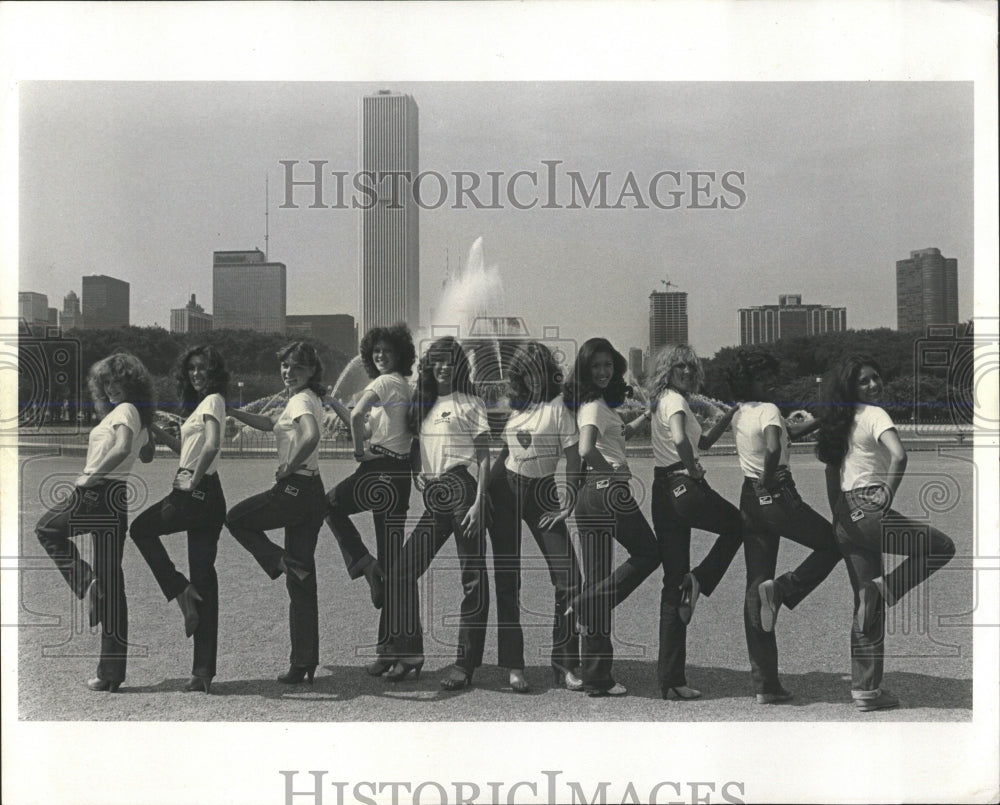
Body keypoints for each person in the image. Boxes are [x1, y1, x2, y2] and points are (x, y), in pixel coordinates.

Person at [817, 354, 955, 711]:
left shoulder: (840, 422)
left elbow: (832, 474)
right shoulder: (875, 414)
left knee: (866, 603)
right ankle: (887, 589)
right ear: (852, 387)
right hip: (869, 508)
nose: (874, 385)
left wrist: (838, 517)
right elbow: (899, 455)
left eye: (876, 378)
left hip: (847, 514)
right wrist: (888, 492)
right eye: (865, 381)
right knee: (941, 547)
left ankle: (866, 692)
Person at [727, 348, 843, 704]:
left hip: (750, 499)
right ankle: (785, 590)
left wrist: (820, 420)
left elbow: (785, 434)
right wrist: (768, 479)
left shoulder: (742, 412)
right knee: (834, 542)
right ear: (751, 380)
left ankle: (766, 685)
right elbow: (775, 446)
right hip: (776, 492)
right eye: (766, 377)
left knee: (754, 586)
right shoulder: (770, 410)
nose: (772, 383)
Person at [35, 351, 155, 692]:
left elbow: (121, 448)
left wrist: (91, 475)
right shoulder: (136, 414)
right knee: (113, 586)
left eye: (117, 382)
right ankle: (111, 674)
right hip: (117, 502)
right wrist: (150, 426)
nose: (110, 389)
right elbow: (144, 454)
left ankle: (86, 581)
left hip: (96, 492)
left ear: (131, 383)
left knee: (46, 528)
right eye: (106, 383)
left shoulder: (125, 411)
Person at [385, 335, 491, 690]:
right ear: (430, 365)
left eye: (449, 360)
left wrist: (479, 502)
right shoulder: (425, 403)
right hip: (435, 495)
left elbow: (485, 457)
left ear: (459, 364)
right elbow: (417, 441)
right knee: (402, 572)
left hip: (462, 491)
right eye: (437, 361)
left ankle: (465, 663)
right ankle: (410, 653)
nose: (443, 366)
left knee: (472, 578)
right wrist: (418, 469)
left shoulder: (470, 402)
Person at [562, 337, 660, 697]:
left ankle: (596, 676)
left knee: (598, 581)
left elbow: (617, 436)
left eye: (607, 366)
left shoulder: (599, 407)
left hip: (591, 497)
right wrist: (612, 475)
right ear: (585, 371)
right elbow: (588, 449)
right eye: (596, 367)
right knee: (651, 554)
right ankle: (585, 605)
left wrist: (646, 416)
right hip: (608, 493)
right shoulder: (592, 407)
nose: (603, 372)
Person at [129, 345, 229, 693]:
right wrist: (157, 431)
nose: (197, 373)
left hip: (195, 494)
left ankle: (178, 589)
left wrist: (192, 480)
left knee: (140, 529)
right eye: (192, 369)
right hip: (208, 499)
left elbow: (213, 445)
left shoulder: (214, 399)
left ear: (214, 371)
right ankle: (202, 673)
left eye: (203, 367)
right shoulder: (200, 406)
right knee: (205, 582)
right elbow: (187, 449)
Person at [226, 342, 327, 684]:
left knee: (236, 519)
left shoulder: (300, 400)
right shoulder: (308, 399)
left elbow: (310, 436)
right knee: (303, 583)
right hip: (314, 493)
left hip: (295, 489)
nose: (288, 373)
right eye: (284, 367)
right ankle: (303, 663)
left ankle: (280, 561)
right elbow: (270, 424)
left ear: (311, 371)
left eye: (296, 367)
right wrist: (234, 412)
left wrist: (287, 466)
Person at [487, 341, 584, 692]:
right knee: (508, 581)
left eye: (537, 369)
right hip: (506, 490)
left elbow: (574, 459)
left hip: (545, 494)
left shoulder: (560, 408)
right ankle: (514, 664)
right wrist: (482, 495)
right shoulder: (516, 409)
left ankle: (565, 662)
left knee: (570, 579)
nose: (531, 377)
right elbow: (503, 453)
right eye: (524, 371)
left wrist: (569, 500)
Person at [647, 344, 742, 700]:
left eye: (691, 366)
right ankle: (700, 579)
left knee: (672, 585)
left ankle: (671, 681)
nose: (687, 371)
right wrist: (693, 469)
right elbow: (680, 440)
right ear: (667, 372)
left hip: (662, 491)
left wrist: (726, 419)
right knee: (739, 525)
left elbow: (701, 441)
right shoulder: (673, 401)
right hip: (682, 485)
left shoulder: (670, 401)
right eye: (679, 367)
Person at [323, 324, 416, 676]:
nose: (379, 356)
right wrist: (335, 405)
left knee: (328, 504)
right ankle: (389, 651)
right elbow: (361, 424)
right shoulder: (400, 385)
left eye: (386, 351)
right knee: (393, 562)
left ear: (398, 355)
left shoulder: (382, 383)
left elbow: (361, 419)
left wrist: (359, 454)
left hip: (377, 471)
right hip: (398, 475)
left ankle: (364, 564)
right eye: (375, 351)